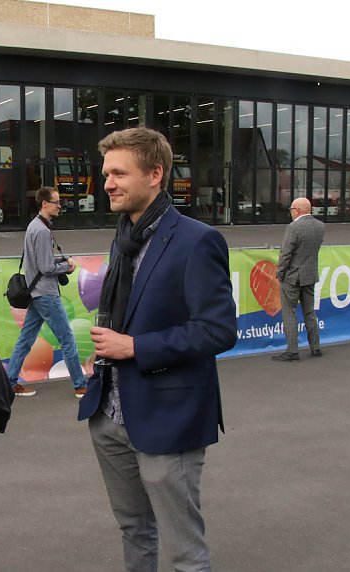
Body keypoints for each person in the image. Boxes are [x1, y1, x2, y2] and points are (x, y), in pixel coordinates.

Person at [78, 126, 237, 572]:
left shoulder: (196, 240)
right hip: (109, 413)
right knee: (133, 529)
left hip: (169, 418)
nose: (107, 182)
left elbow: (219, 330)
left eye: (119, 173)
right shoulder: (124, 235)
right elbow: (125, 311)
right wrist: (106, 352)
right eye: (106, 172)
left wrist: (135, 347)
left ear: (155, 174)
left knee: (184, 550)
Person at [6, 186, 88, 398]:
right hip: (46, 294)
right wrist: (67, 266)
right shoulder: (42, 230)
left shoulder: (34, 226)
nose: (60, 206)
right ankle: (80, 385)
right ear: (45, 204)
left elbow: (40, 262)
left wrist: (58, 262)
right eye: (56, 202)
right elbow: (46, 267)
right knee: (67, 339)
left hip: (36, 292)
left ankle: (10, 382)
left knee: (26, 339)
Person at [273, 196, 325, 362]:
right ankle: (315, 348)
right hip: (310, 275)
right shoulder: (320, 226)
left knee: (289, 312)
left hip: (292, 277)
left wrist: (280, 273)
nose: (290, 213)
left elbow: (286, 254)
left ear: (297, 210)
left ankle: (292, 351)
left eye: (291, 209)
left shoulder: (293, 228)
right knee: (310, 312)